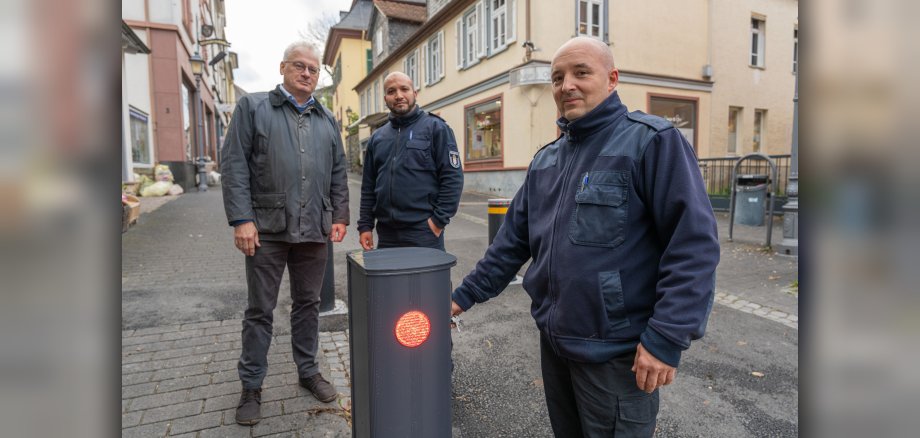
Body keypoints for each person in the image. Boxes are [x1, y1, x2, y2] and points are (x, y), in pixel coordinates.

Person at [450, 37, 720, 437]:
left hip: (618, 356)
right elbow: (510, 244)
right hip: (556, 348)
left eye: (581, 73)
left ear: (612, 79)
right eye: (557, 78)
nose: (566, 85)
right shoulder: (547, 159)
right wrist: (459, 298)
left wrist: (666, 338)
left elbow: (693, 246)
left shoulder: (652, 142)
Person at [220, 41, 349, 426]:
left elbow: (339, 172)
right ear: (282, 68)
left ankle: (308, 371)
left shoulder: (327, 120)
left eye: (313, 68)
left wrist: (339, 215)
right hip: (266, 229)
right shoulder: (254, 108)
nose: (307, 73)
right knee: (260, 310)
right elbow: (234, 165)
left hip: (314, 228)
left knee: (308, 305)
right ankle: (252, 386)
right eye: (299, 66)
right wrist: (241, 219)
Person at [357, 72, 463, 251]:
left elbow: (452, 178)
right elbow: (368, 186)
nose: (398, 96)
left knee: (427, 280)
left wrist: (438, 222)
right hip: (387, 235)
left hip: (424, 233)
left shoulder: (436, 128)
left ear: (415, 93)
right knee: (389, 280)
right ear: (385, 98)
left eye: (404, 89)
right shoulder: (377, 138)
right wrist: (365, 226)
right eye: (391, 91)